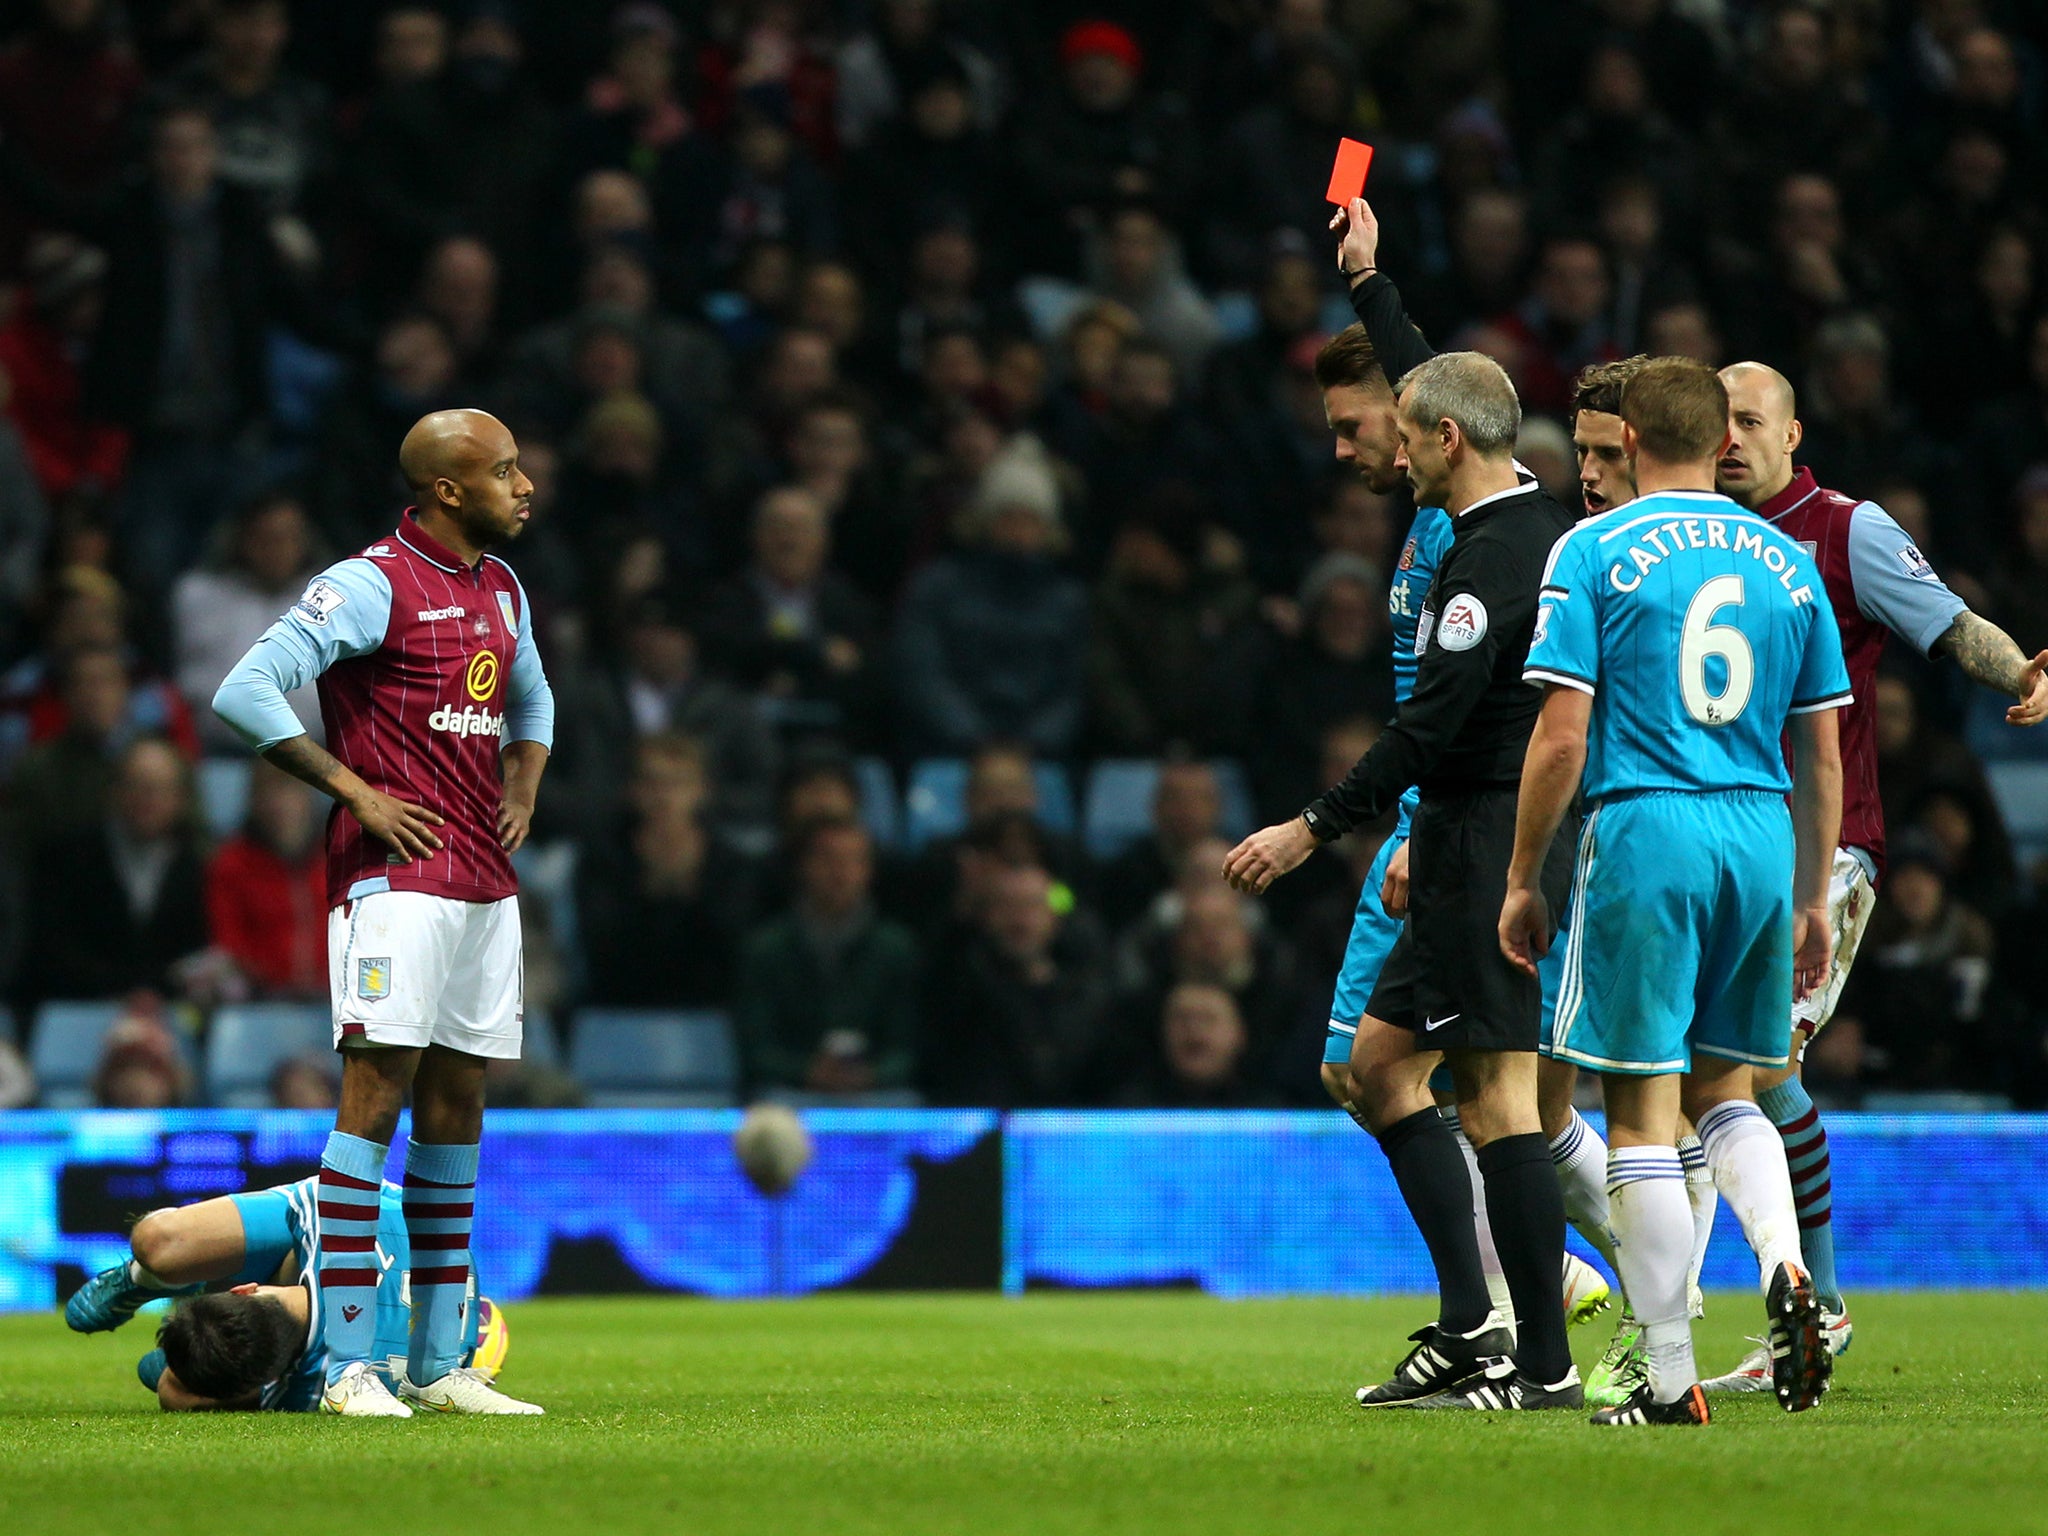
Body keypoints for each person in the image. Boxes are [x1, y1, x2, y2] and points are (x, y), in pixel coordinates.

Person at [1225, 345, 1581, 1411]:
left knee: (1500, 1100)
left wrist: (1310, 829)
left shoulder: (1489, 564)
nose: (1382, 449)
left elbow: (1428, 728)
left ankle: (1546, 1367)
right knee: (1378, 1068)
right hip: (1459, 837)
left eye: (1400, 431)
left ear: (1446, 439)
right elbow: (1438, 370)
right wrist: (1367, 276)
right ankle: (1473, 1326)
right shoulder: (1513, 522)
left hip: (1483, 838)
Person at [1503, 356, 1852, 1425]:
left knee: (1641, 1116)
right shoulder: (1788, 561)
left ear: (1629, 439)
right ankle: (1786, 1265)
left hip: (1647, 825)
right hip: (1760, 830)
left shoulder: (1592, 548)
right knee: (1730, 1090)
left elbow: (1562, 736)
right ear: (1720, 441)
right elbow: (1822, 750)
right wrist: (1811, 895)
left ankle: (1664, 1376)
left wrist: (1521, 875)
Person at [1688, 361, 2048, 1389]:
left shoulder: (1848, 530)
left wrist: (2022, 672)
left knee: (1756, 1067)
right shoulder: (1686, 529)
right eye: (1716, 422)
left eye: (1748, 421)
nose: (1729, 440)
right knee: (1721, 1074)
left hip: (1825, 844)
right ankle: (1757, 1302)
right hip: (1709, 840)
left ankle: (1816, 1303)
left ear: (1792, 434)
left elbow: (1950, 622)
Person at [211, 408, 553, 1418]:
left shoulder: (502, 586)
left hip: (483, 881)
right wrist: (354, 791)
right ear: (447, 490)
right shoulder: (371, 583)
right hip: (394, 880)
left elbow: (531, 697)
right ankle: (344, 1364)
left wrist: (523, 785)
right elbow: (245, 688)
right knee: (374, 1097)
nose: (524, 485)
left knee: (458, 1108)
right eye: (504, 470)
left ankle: (438, 1364)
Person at [63, 1174, 507, 1412]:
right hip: (379, 1223)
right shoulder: (311, 1389)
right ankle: (148, 1278)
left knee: (158, 1244)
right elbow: (162, 1380)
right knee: (173, 1379)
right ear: (244, 1290)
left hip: (459, 1296)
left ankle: (182, 1272)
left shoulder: (312, 1387)